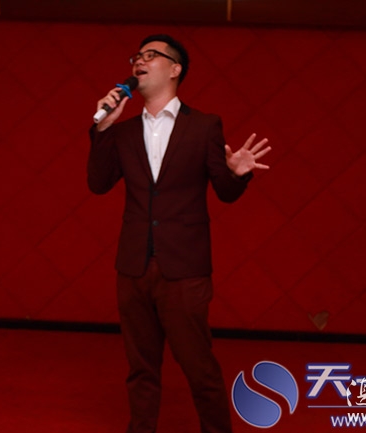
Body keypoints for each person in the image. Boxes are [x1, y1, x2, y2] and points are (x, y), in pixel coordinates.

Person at [87, 34, 271, 433]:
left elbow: (224, 192)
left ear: (175, 69)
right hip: (133, 266)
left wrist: (238, 173)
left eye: (151, 55)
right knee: (141, 369)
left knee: (199, 367)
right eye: (137, 56)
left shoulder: (204, 126)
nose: (139, 61)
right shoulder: (123, 131)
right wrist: (103, 127)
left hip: (185, 269)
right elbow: (98, 183)